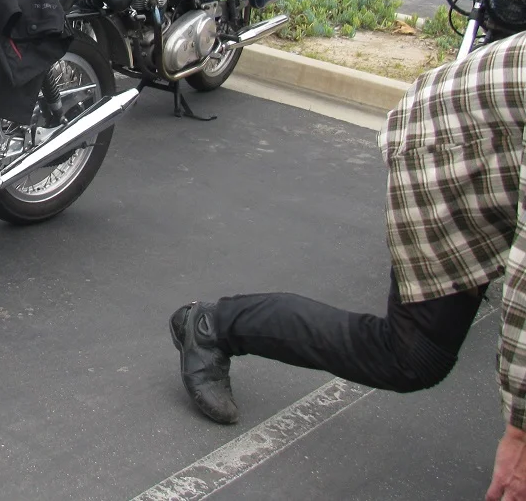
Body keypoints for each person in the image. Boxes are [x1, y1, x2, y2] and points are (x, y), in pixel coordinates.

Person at [169, 30, 526, 500]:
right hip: (447, 142)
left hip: (496, 138)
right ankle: (213, 325)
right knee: (413, 356)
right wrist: (520, 430)